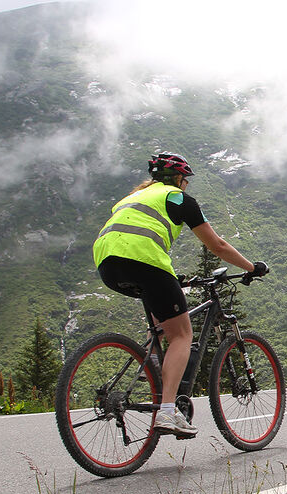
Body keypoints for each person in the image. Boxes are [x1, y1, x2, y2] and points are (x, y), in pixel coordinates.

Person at [93, 152, 267, 438]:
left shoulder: (130, 198)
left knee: (160, 331)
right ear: (178, 178)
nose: (186, 184)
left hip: (108, 263)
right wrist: (252, 267)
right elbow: (218, 245)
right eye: (185, 180)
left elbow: (133, 236)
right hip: (144, 261)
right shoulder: (177, 198)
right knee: (182, 335)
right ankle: (166, 411)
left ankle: (155, 387)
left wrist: (172, 278)